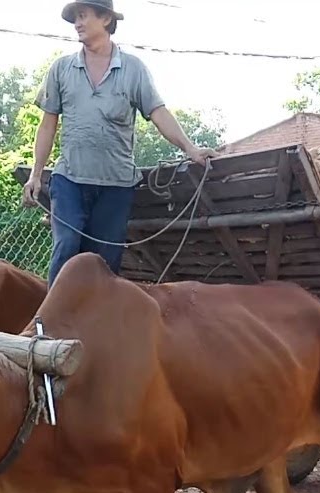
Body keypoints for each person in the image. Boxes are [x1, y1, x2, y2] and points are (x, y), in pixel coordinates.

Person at [23, 0, 217, 286]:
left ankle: (98, 328)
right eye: (75, 17)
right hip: (70, 180)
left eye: (83, 16)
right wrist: (36, 174)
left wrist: (190, 148)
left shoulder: (132, 69)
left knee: (104, 262)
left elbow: (158, 112)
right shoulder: (62, 69)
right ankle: (49, 327)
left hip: (115, 185)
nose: (77, 23)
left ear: (105, 19)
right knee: (67, 248)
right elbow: (48, 123)